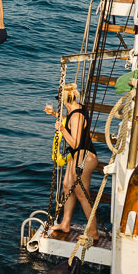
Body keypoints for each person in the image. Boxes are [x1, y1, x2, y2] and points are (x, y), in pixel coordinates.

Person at [47, 84, 99, 241]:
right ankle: (65, 224)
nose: (59, 103)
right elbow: (68, 122)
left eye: (59, 100)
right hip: (77, 155)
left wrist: (61, 130)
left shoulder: (77, 116)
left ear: (65, 99)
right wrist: (55, 114)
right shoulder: (74, 110)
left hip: (85, 156)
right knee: (67, 186)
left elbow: (75, 143)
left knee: (82, 194)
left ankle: (93, 232)